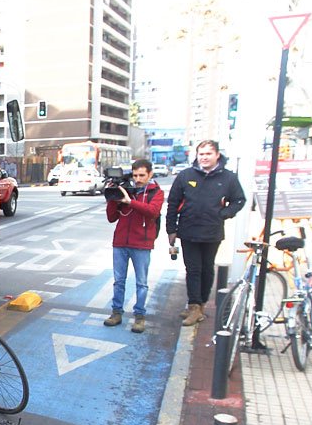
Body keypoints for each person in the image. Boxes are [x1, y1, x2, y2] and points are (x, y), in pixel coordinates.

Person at [165, 140, 246, 326]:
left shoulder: (228, 178)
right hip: (188, 231)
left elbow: (239, 200)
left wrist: (223, 214)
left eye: (208, 154)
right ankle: (193, 306)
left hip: (212, 231)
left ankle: (200, 304)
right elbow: (172, 203)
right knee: (193, 269)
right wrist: (171, 229)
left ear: (217, 155)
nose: (204, 157)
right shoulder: (185, 176)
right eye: (201, 154)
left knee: (207, 270)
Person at [104, 159, 163, 333]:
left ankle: (139, 316)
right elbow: (111, 217)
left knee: (141, 283)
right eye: (135, 175)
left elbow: (152, 212)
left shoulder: (156, 192)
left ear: (150, 174)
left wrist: (130, 201)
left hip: (142, 244)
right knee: (118, 281)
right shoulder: (125, 188)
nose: (138, 179)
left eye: (142, 175)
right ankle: (116, 313)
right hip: (121, 242)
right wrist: (113, 197)